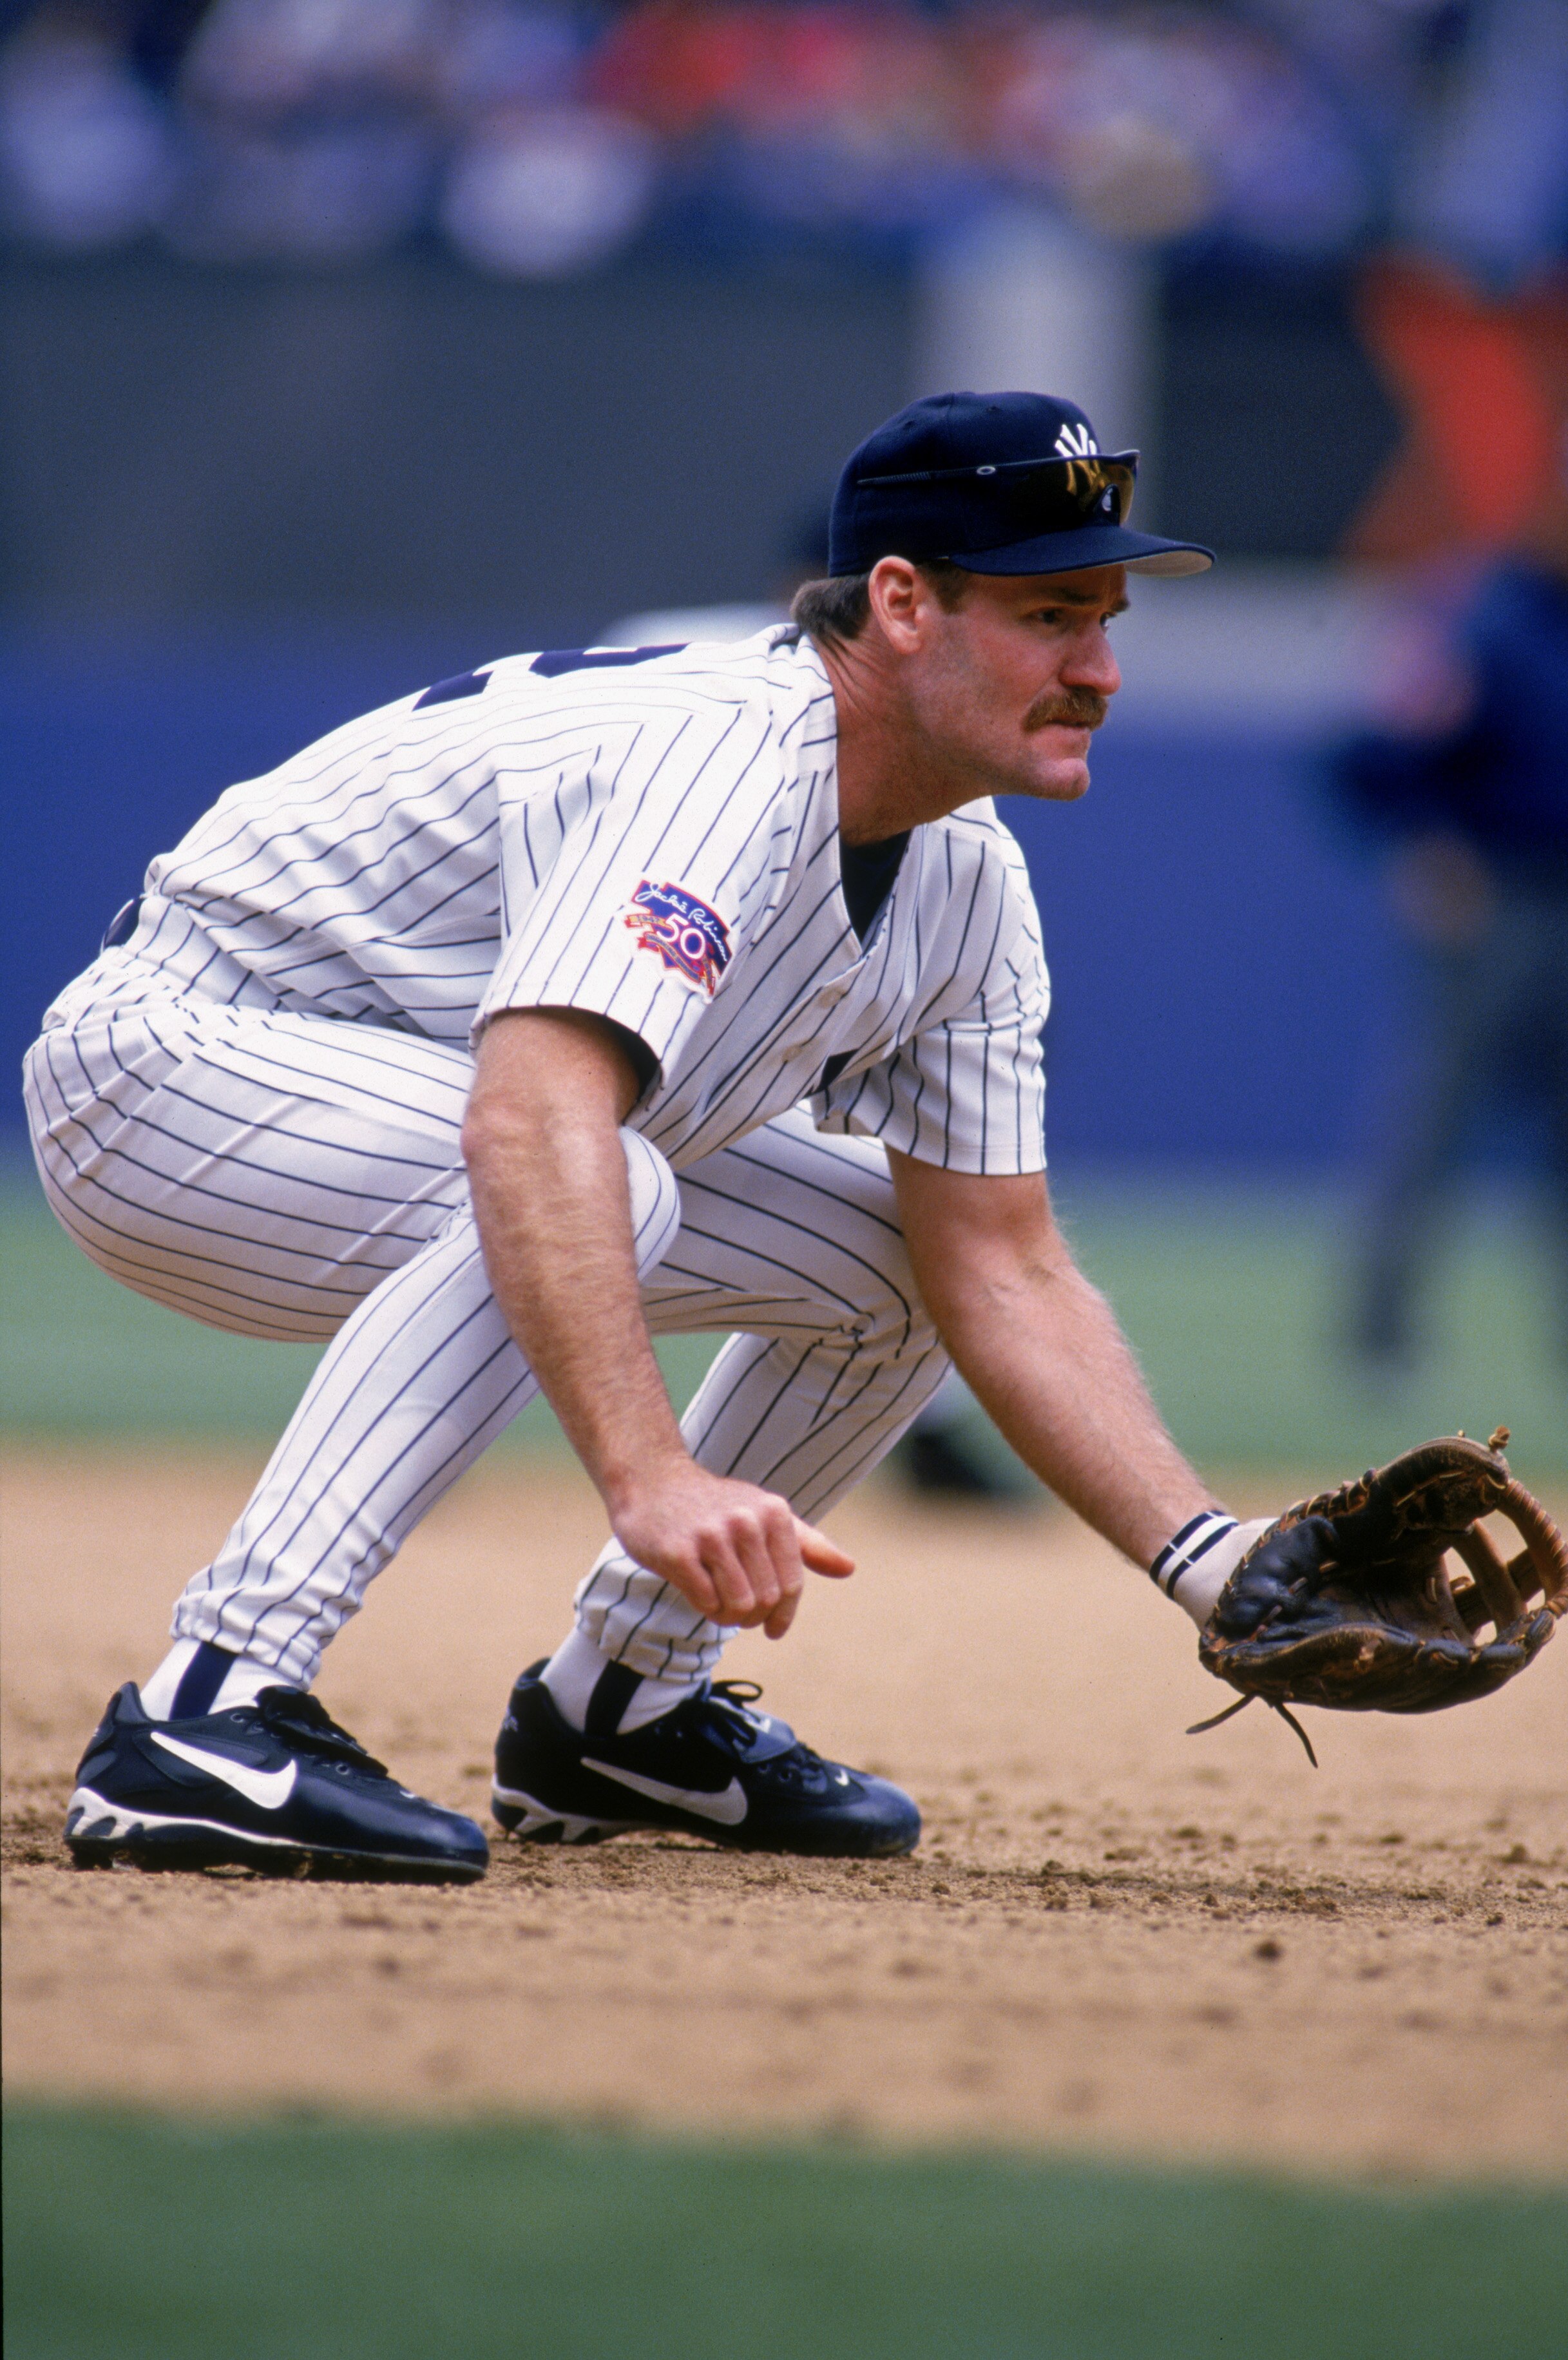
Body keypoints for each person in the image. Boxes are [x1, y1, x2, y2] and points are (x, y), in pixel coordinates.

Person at [27, 390, 1266, 1884]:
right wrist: (647, 1466)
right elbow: (532, 1116)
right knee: (597, 1171)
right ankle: (208, 1709)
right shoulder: (724, 756)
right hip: (173, 1069)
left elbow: (998, 1266)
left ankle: (616, 1707)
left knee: (896, 1266)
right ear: (899, 604)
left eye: (1106, 617)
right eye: (1051, 612)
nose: (1099, 668)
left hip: (392, 1105)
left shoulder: (969, 887)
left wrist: (1214, 1565)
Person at [1333, 533, 1568, 1367]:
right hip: (1498, 900)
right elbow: (1373, 757)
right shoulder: (1487, 620)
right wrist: (1421, 839)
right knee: (1432, 1120)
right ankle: (1379, 1337)